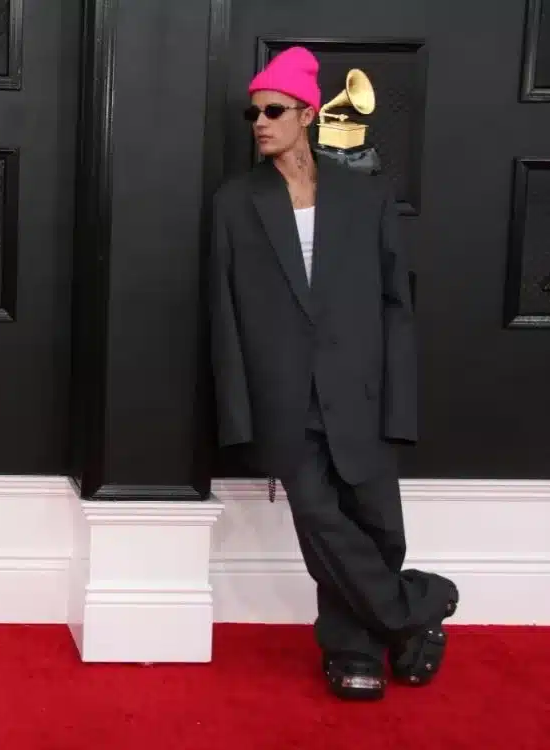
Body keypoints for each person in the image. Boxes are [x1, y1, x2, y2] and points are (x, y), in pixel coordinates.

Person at [207, 46, 458, 701]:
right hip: (284, 397)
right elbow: (223, 311)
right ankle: (416, 610)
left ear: (307, 114)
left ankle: (367, 644)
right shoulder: (235, 202)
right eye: (251, 112)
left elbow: (394, 307)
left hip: (362, 390)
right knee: (320, 521)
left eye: (272, 110)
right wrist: (238, 410)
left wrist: (399, 403)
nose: (258, 122)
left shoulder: (364, 196)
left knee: (378, 527)